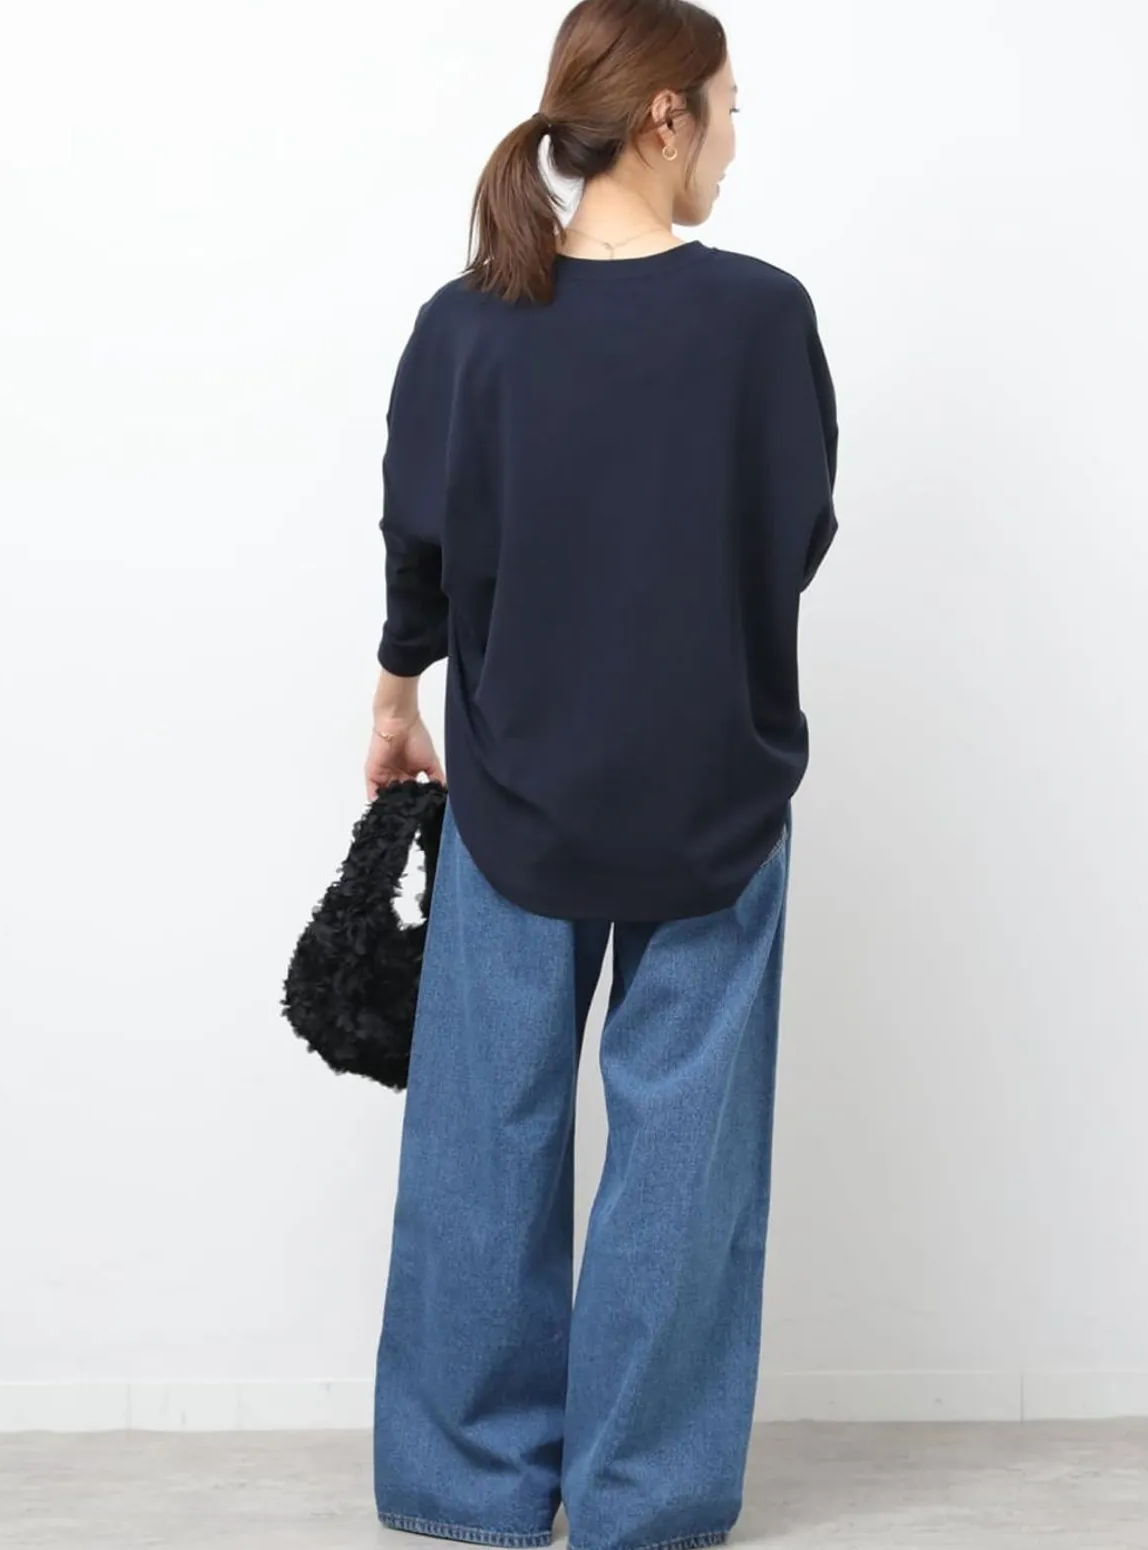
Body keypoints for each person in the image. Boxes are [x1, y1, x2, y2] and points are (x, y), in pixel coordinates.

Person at [365, 2, 839, 1548]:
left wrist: (399, 694)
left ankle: (468, 1485)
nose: (732, 140)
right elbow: (796, 535)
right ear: (663, 118)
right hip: (714, 792)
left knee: (482, 1136)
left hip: (518, 787)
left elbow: (422, 545)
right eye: (728, 107)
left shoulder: (468, 322)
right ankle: (646, 1494)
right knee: (681, 1158)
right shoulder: (760, 318)